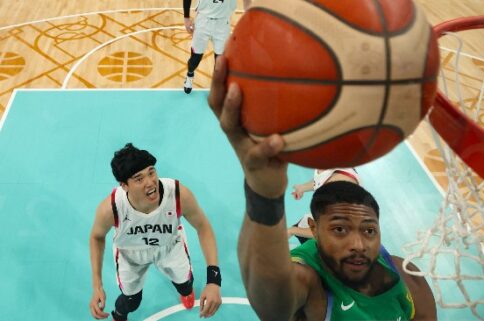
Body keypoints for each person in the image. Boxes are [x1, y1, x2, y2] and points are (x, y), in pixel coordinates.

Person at [207, 56, 437, 320]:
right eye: (340, 229)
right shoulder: (307, 279)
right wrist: (263, 192)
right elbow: (272, 304)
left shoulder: (408, 276)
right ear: (314, 229)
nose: (358, 244)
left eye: (370, 230)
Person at [89, 143, 222, 320]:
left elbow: (203, 227)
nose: (150, 182)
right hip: (131, 255)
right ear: (124, 185)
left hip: (169, 246)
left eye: (151, 172)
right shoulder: (112, 208)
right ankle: (119, 315)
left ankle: (185, 291)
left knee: (185, 284)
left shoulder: (177, 194)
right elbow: (96, 237)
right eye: (139, 178)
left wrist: (214, 280)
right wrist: (97, 285)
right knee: (131, 301)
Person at [183, 0, 251, 94]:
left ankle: (216, 86)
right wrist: (186, 18)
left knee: (220, 62)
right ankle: (190, 74)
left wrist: (248, 15)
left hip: (223, 23)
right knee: (195, 60)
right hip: (203, 21)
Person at [288, 168, 360, 244]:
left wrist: (292, 230)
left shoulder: (339, 184)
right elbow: (319, 180)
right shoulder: (328, 168)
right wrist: (302, 188)